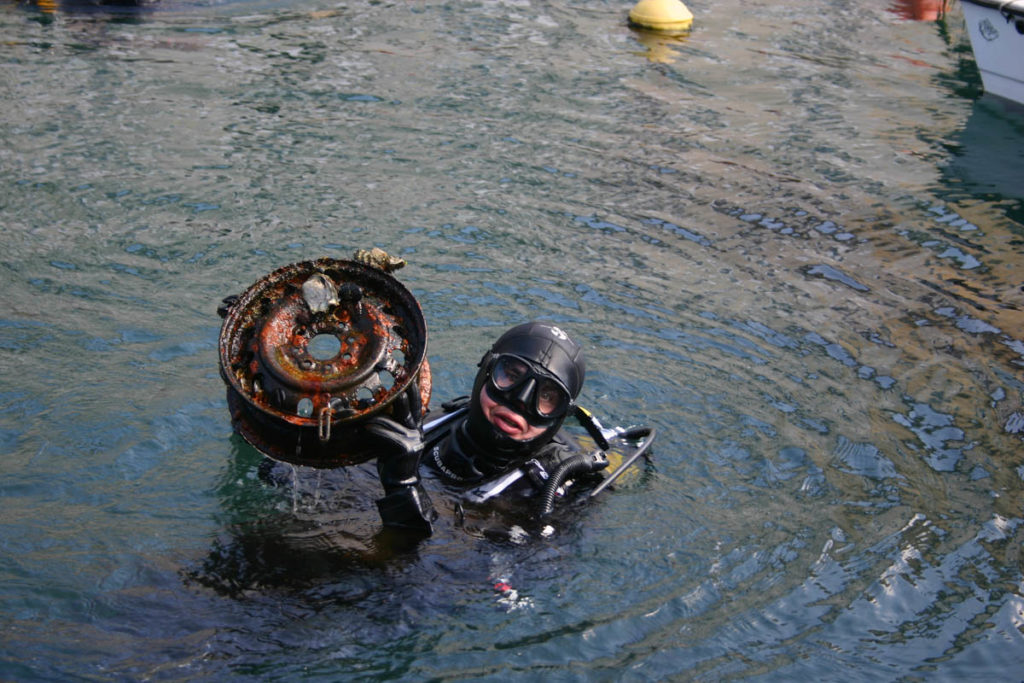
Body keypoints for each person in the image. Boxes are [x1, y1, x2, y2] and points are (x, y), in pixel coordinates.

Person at [366, 321, 611, 535]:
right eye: (512, 375)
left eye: (547, 395)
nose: (520, 400)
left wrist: (402, 486)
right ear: (485, 370)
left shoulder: (553, 496)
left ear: (560, 416)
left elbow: (439, 574)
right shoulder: (433, 423)